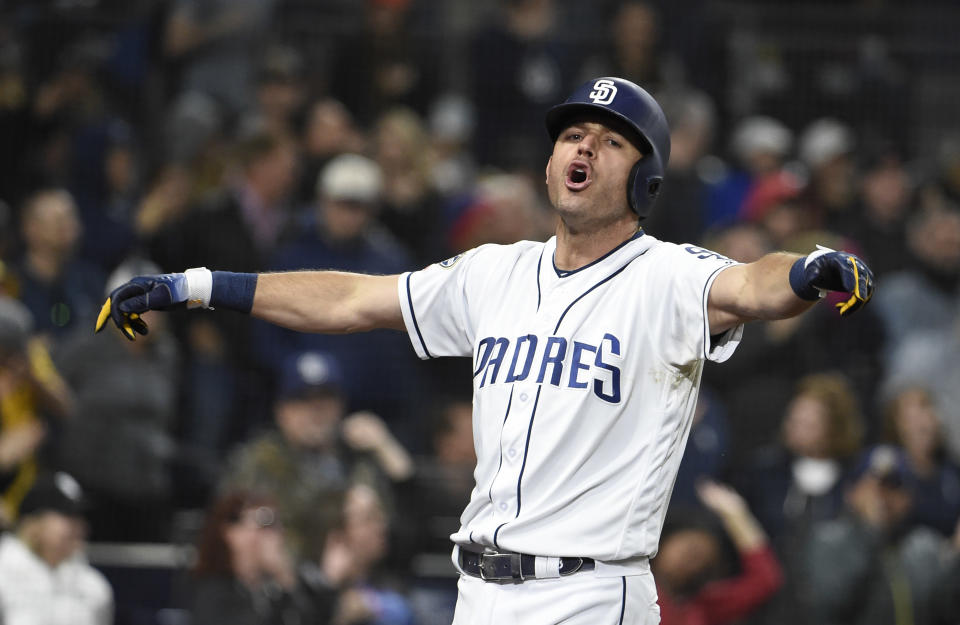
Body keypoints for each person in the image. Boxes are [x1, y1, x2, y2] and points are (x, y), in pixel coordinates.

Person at [96, 76, 875, 624]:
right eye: (573, 133)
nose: (583, 147)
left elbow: (750, 284)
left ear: (647, 179)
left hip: (590, 595)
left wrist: (807, 270)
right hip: (482, 589)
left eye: (609, 142)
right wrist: (199, 284)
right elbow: (355, 298)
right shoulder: (493, 270)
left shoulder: (666, 276)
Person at [0, 472, 113, 625]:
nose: (78, 526)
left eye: (80, 517)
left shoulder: (93, 586)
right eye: (67, 516)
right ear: (33, 522)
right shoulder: (4, 576)